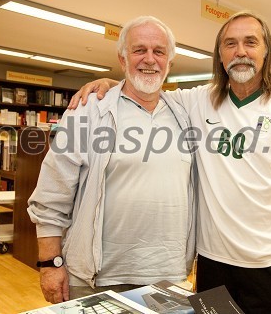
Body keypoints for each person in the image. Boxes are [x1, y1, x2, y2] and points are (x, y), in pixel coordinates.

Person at [71, 11, 271, 313]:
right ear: (220, 55)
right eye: (230, 44)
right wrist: (110, 82)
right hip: (211, 265)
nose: (240, 51)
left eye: (250, 42)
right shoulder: (196, 101)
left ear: (266, 51)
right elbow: (145, 87)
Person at [27, 16, 197, 304]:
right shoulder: (88, 111)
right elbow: (52, 194)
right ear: (122, 58)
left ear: (170, 63)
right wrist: (50, 264)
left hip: (168, 278)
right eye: (139, 50)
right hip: (95, 279)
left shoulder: (186, 112)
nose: (149, 59)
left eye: (159, 51)